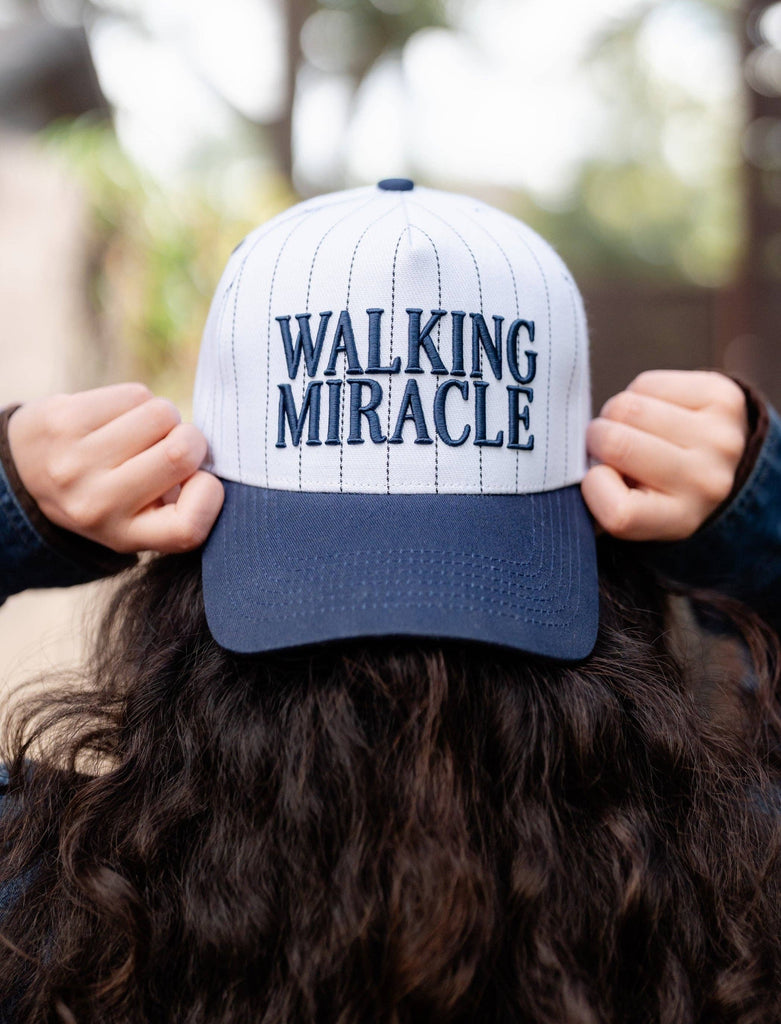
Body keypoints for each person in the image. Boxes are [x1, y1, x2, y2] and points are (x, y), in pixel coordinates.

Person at [0, 180, 780, 1024]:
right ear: (595, 541)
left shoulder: (46, 902)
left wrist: (15, 505)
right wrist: (759, 520)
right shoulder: (730, 893)